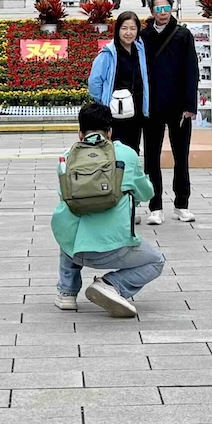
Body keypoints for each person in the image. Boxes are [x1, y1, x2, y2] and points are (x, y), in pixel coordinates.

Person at [52, 101, 165, 318]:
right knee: (156, 260)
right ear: (110, 131)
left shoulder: (67, 157)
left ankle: (67, 293)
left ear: (80, 132)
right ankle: (111, 284)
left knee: (66, 224)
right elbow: (146, 194)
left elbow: (63, 198)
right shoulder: (126, 154)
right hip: (115, 249)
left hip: (74, 249)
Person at [140, 0, 198, 225]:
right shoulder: (143, 36)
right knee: (151, 158)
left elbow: (191, 71)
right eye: (158, 9)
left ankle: (181, 204)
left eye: (166, 9)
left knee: (180, 156)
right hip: (152, 107)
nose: (162, 13)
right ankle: (155, 207)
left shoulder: (183, 35)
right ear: (152, 11)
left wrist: (189, 105)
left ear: (172, 9)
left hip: (178, 107)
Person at [88, 11, 149, 153]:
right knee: (115, 152)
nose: (129, 33)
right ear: (117, 30)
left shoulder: (140, 50)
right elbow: (94, 82)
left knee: (133, 151)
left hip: (136, 112)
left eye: (133, 28)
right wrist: (104, 101)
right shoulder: (109, 53)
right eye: (124, 28)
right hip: (115, 114)